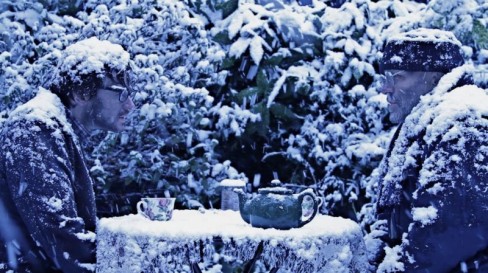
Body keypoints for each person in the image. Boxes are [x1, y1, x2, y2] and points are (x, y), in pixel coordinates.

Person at [0, 37, 135, 272]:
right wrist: (129, 264)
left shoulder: (56, 127)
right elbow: (60, 236)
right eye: (122, 94)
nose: (130, 105)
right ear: (82, 93)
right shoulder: (35, 127)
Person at [367, 28, 488, 272]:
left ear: (433, 78)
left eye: (398, 76)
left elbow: (446, 233)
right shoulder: (422, 120)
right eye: (386, 77)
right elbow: (389, 216)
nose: (385, 89)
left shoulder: (463, 122)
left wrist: (393, 269)